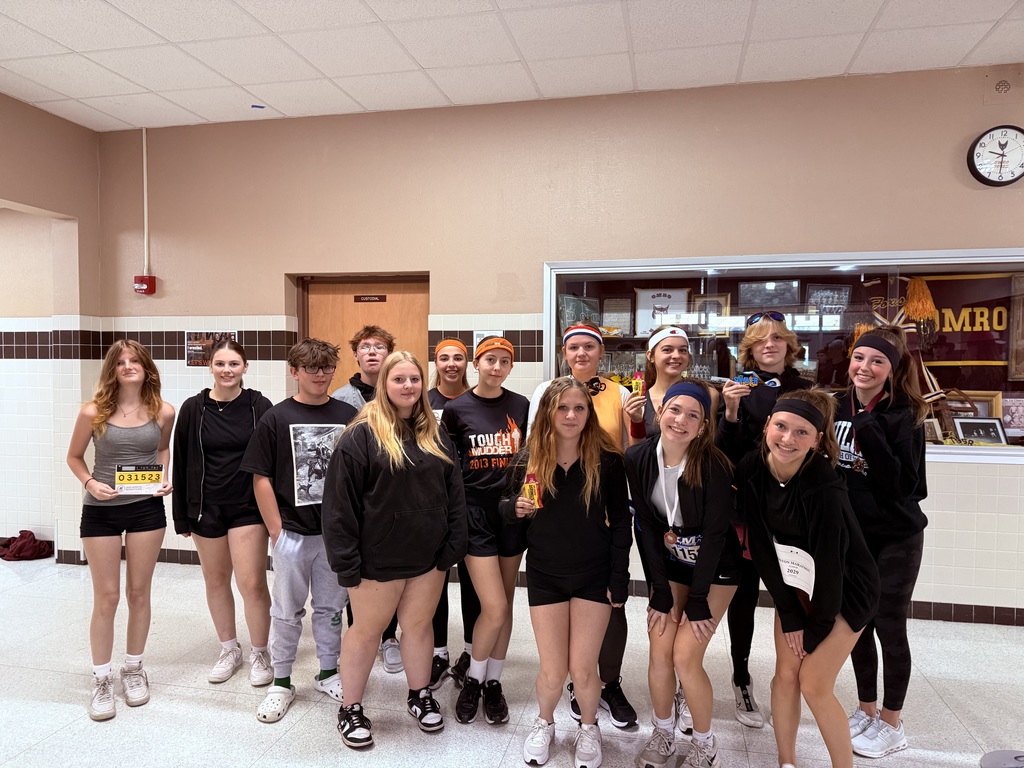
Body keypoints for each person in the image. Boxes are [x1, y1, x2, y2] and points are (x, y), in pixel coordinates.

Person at [323, 351, 468, 749]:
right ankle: (350, 708)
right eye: (399, 379)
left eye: (414, 380)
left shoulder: (434, 432)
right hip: (376, 560)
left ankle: (419, 695)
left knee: (419, 629)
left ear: (424, 384)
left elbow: (454, 491)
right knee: (366, 633)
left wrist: (453, 543)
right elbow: (339, 507)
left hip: (428, 557)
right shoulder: (360, 435)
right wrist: (346, 563)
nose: (408, 386)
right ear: (384, 385)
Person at [735, 389, 880, 768]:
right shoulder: (752, 467)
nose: (787, 439)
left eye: (802, 433)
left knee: (813, 683)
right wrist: (791, 614)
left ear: (817, 440)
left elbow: (832, 565)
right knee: (785, 676)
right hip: (796, 583)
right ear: (767, 425)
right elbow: (762, 548)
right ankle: (787, 762)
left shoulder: (823, 483)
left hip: (847, 589)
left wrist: (813, 630)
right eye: (781, 427)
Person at [505, 377, 631, 768]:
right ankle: (545, 723)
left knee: (583, 668)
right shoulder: (528, 459)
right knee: (553, 669)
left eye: (579, 408)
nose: (572, 415)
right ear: (548, 413)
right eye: (563, 408)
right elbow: (506, 509)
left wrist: (619, 577)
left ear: (589, 414)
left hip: (593, 574)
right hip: (545, 573)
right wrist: (513, 509)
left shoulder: (607, 460)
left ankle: (589, 728)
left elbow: (622, 525)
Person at [528, 323, 641, 728]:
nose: (581, 353)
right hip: (554, 541)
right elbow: (530, 470)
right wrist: (522, 507)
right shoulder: (545, 398)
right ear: (564, 352)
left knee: (609, 622)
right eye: (573, 347)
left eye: (589, 347)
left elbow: (631, 450)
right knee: (555, 664)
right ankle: (555, 712)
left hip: (599, 519)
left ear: (600, 352)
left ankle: (605, 686)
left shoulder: (619, 394)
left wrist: (618, 568)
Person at [240, 338, 357, 723]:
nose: (320, 375)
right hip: (292, 532)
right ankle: (282, 681)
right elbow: (261, 477)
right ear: (294, 371)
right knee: (286, 612)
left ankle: (328, 672)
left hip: (335, 534)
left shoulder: (347, 414)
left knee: (331, 608)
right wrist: (277, 532)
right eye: (311, 368)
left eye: (326, 368)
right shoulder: (276, 417)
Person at [625, 381, 740, 768]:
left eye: (694, 415)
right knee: (660, 649)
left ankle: (705, 745)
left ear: (704, 426)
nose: (682, 420)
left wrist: (696, 600)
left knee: (685, 657)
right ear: (660, 413)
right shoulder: (638, 457)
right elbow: (645, 525)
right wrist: (659, 590)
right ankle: (663, 734)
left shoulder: (715, 466)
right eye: (675, 410)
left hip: (716, 569)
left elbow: (715, 536)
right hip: (672, 565)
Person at [66, 340, 175, 721]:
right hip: (101, 513)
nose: (128, 366)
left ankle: (133, 669)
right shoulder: (93, 412)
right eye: (121, 362)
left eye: (135, 361)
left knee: (138, 592)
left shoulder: (163, 411)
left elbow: (162, 450)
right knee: (107, 597)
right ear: (112, 370)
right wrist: (89, 483)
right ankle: (101, 679)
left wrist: (163, 476)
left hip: (146, 509)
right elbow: (74, 456)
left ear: (146, 367)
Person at [834, 325, 928, 759]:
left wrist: (869, 431)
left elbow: (908, 488)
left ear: (892, 370)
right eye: (859, 358)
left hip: (895, 537)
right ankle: (866, 709)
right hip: (853, 537)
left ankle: (893, 722)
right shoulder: (835, 405)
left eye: (877, 361)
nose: (864, 367)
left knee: (889, 625)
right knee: (858, 626)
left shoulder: (904, 414)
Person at [715, 310, 811, 730]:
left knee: (796, 596)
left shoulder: (808, 390)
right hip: (747, 509)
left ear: (789, 344)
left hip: (793, 512)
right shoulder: (738, 388)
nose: (769, 344)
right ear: (750, 348)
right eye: (759, 339)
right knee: (743, 597)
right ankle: (741, 676)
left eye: (776, 338)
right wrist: (731, 413)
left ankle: (791, 682)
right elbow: (725, 456)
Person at [172, 339, 274, 687]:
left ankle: (260, 651)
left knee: (252, 583)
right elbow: (182, 461)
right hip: (205, 507)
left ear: (245, 367)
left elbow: (273, 462)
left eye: (234, 364)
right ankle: (229, 649)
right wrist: (181, 516)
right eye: (220, 364)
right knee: (215, 581)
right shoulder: (193, 408)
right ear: (210, 367)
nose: (227, 370)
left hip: (248, 508)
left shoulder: (259, 406)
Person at [442, 337, 529, 726]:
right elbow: (447, 467)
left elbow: (533, 459)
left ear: (511, 367)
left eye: (504, 361)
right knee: (492, 607)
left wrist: (529, 500)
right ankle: (473, 680)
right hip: (474, 515)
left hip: (511, 513)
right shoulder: (456, 409)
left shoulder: (521, 406)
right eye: (489, 360)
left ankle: (492, 682)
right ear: (476, 364)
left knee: (505, 605)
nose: (496, 367)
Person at [331, 324, 404, 673]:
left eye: (379, 346)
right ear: (356, 354)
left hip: (392, 500)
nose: (373, 352)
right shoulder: (341, 399)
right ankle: (363, 635)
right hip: (358, 498)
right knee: (358, 577)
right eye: (365, 347)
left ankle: (390, 637)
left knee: (390, 574)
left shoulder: (401, 393)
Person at [426, 338, 479, 688]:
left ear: (467, 363)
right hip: (433, 504)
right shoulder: (423, 401)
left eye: (458, 358)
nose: (451, 364)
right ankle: (439, 651)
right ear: (436, 362)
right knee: (435, 582)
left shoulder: (476, 400)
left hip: (471, 503)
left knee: (474, 583)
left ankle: (473, 653)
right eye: (444, 358)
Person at [637, 325, 691, 439]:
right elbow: (634, 452)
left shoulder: (707, 395)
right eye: (667, 350)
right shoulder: (639, 403)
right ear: (650, 356)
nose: (676, 356)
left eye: (682, 350)